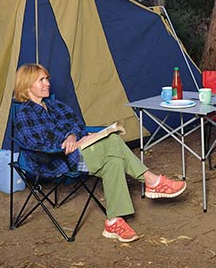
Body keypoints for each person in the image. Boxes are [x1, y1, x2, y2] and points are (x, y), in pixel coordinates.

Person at [12, 63, 187, 243]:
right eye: (41, 80)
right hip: (55, 160)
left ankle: (114, 221)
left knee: (113, 161)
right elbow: (37, 145)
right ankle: (152, 181)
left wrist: (72, 136)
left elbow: (76, 124)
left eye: (47, 78)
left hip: (77, 151)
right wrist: (66, 144)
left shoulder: (55, 105)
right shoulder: (25, 113)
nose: (47, 83)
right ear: (26, 86)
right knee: (113, 142)